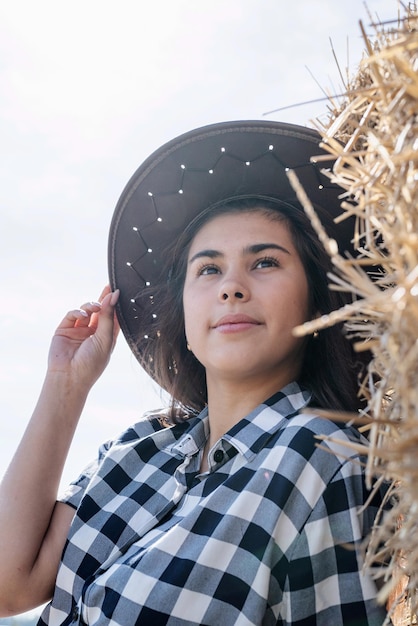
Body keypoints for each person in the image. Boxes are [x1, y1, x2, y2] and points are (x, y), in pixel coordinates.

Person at [0, 121, 387, 625]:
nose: (231, 287)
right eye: (207, 269)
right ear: (183, 314)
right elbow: (9, 585)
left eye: (265, 262)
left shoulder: (324, 462)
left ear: (317, 300)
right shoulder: (137, 451)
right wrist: (66, 385)